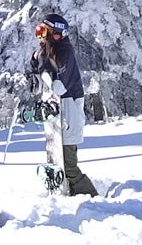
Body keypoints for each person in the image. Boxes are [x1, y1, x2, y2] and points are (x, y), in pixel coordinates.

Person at [29, 12, 98, 196]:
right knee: (57, 163)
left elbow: (58, 86)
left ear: (56, 34)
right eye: (39, 31)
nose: (40, 37)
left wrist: (43, 66)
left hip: (69, 110)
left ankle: (92, 198)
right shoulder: (46, 52)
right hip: (57, 114)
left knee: (68, 167)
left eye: (44, 32)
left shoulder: (64, 53)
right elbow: (38, 87)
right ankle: (68, 195)